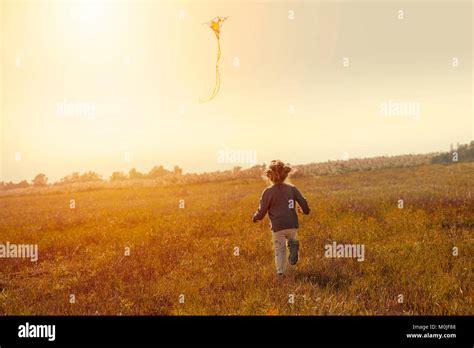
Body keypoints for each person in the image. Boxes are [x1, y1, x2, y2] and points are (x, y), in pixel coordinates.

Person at [252, 160, 310, 275]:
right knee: (291, 239)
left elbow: (262, 211)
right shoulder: (292, 188)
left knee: (280, 250)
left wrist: (255, 217)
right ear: (285, 175)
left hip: (278, 226)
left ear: (269, 176)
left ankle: (280, 273)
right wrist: (305, 210)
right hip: (292, 224)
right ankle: (293, 245)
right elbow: (303, 202)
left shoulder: (267, 192)